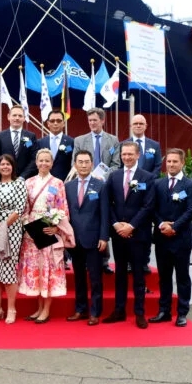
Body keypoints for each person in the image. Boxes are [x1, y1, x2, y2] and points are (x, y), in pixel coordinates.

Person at [102, 141, 156, 329]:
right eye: (124, 154)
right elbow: (108, 203)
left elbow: (148, 206)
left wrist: (131, 225)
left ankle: (139, 312)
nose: (126, 157)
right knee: (120, 275)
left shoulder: (147, 178)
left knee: (139, 274)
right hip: (118, 234)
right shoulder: (114, 176)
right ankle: (119, 310)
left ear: (138, 155)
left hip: (138, 234)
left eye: (130, 154)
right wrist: (117, 225)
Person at [18, 149, 75, 323]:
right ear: (36, 162)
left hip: (48, 230)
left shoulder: (57, 183)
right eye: (40, 160)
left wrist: (56, 228)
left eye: (47, 161)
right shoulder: (28, 182)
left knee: (47, 270)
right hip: (32, 232)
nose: (43, 164)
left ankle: (46, 309)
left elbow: (63, 209)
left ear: (52, 163)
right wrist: (28, 226)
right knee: (36, 269)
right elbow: (23, 207)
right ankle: (39, 307)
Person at [149, 148, 192, 328]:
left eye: (175, 161)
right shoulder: (158, 184)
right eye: (169, 161)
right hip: (162, 238)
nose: (171, 164)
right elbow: (152, 208)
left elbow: (191, 210)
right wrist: (163, 225)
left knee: (182, 277)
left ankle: (182, 313)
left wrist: (174, 227)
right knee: (164, 277)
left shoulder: (190, 185)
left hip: (181, 239)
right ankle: (164, 310)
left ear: (182, 163)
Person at [73, 107, 121, 274]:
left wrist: (103, 176)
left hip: (105, 185)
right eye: (90, 120)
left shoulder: (113, 140)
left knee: (103, 218)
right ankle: (82, 258)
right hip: (84, 184)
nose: (92, 123)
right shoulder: (79, 140)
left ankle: (105, 261)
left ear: (102, 120)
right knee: (85, 218)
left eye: (95, 120)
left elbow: (116, 164)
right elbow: (76, 162)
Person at [64, 150, 110, 325]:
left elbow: (105, 214)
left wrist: (104, 237)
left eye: (86, 162)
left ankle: (95, 312)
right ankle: (80, 309)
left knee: (95, 279)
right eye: (80, 162)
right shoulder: (67, 186)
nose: (83, 165)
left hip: (94, 239)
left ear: (92, 164)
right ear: (75, 164)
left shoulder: (101, 186)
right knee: (79, 277)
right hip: (75, 240)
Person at [0, 154, 27, 324]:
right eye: (2, 164)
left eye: (8, 164)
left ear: (13, 167)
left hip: (11, 229)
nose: (5, 167)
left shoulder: (19, 184)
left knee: (8, 269)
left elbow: (20, 208)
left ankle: (11, 308)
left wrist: (3, 226)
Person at [125, 114, 162, 275]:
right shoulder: (124, 145)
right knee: (128, 226)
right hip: (128, 194)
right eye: (135, 123)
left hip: (148, 193)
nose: (138, 126)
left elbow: (158, 167)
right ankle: (127, 262)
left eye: (141, 123)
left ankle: (144, 261)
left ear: (146, 126)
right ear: (131, 126)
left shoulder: (155, 145)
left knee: (145, 228)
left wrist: (144, 183)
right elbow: (121, 166)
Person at [0, 104, 38, 179]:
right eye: (14, 115)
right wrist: (6, 174)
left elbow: (34, 159)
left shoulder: (31, 137)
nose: (17, 118)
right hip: (5, 179)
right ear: (8, 117)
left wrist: (22, 177)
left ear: (24, 118)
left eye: (20, 116)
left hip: (26, 180)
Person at [36, 110, 74, 182]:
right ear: (48, 123)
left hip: (64, 182)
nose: (55, 123)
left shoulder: (71, 142)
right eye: (52, 121)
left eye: (59, 121)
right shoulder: (40, 142)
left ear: (63, 123)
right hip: (43, 182)